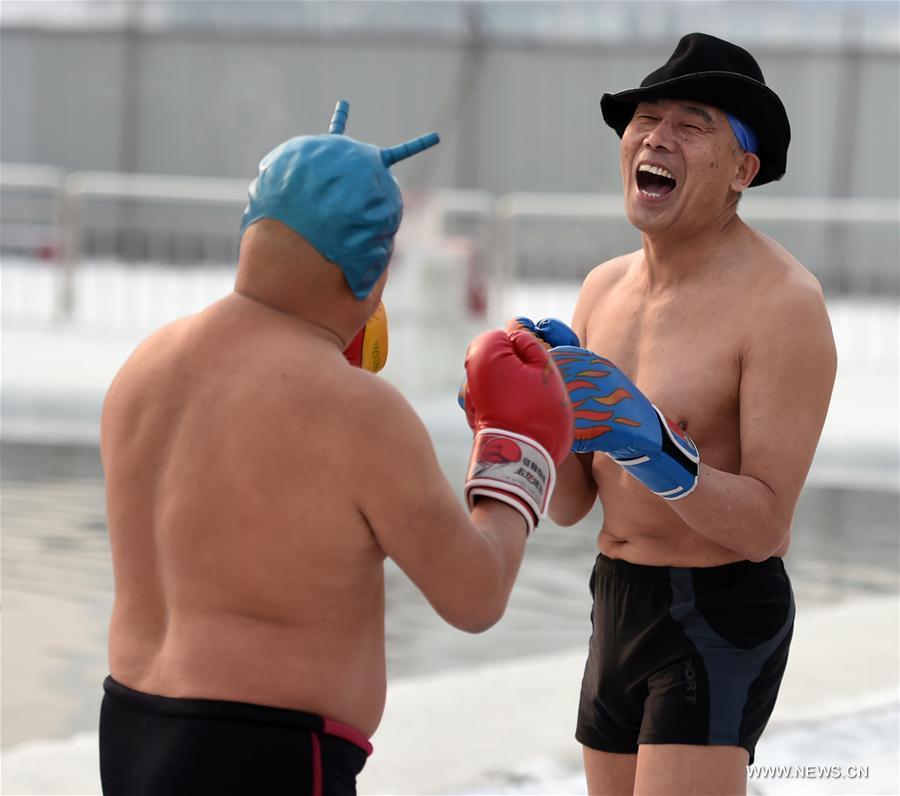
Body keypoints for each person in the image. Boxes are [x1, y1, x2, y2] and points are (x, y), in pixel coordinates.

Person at [98, 101, 574, 795]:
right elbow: (473, 595)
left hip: (130, 728)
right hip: (264, 753)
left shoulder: (144, 366)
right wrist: (519, 448)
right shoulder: (357, 410)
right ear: (372, 273)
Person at [518, 33, 837, 796]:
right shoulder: (602, 290)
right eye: (645, 118)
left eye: (691, 124)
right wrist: (531, 422)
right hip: (617, 596)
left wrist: (656, 450)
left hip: (718, 610)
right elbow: (570, 506)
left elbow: (766, 528)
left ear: (742, 171)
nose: (656, 136)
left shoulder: (783, 306)